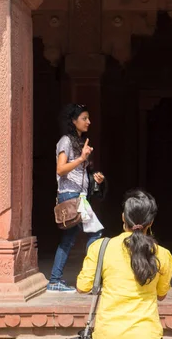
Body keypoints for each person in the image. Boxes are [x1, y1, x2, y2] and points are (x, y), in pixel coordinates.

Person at [77, 189, 172, 339]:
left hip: (108, 332)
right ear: (151, 222)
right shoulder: (162, 254)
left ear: (123, 217)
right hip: (147, 332)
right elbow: (161, 295)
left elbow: (83, 287)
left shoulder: (100, 247)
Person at [47, 103, 107, 293]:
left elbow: (80, 172)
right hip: (71, 195)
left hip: (79, 195)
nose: (89, 122)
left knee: (69, 239)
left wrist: (95, 176)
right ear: (73, 121)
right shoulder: (65, 141)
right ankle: (88, 278)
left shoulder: (80, 142)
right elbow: (60, 169)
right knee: (94, 234)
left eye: (88, 118)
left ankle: (56, 280)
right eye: (84, 118)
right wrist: (81, 159)